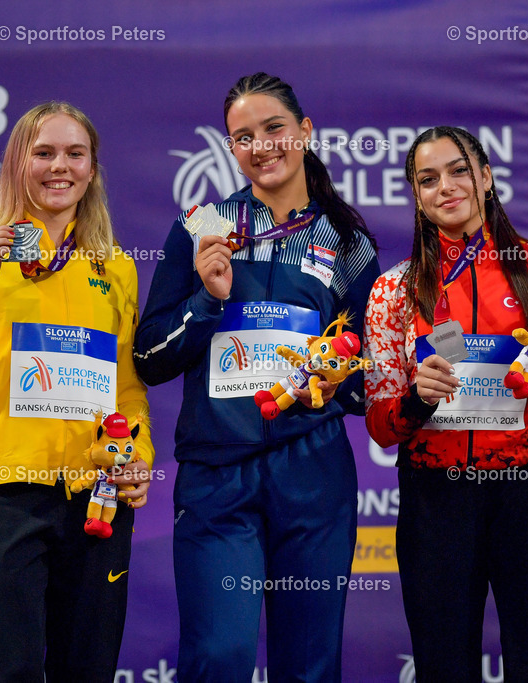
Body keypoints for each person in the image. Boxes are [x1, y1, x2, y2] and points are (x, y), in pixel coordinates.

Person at [133, 72, 380, 682]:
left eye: (274, 129)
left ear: (305, 132)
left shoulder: (348, 240)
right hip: (217, 478)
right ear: (230, 149)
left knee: (310, 666)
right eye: (243, 137)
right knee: (219, 656)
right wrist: (205, 303)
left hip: (313, 474)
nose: (261, 146)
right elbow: (149, 358)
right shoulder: (200, 226)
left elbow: (369, 374)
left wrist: (330, 376)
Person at [0, 101, 153, 682]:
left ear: (93, 170)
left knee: (88, 670)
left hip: (97, 497)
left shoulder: (116, 267)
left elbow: (126, 388)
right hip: (1, 495)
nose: (61, 167)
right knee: (10, 671)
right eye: (44, 152)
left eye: (75, 154)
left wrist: (139, 460)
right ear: (16, 165)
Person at [363, 126, 528, 682]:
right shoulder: (393, 291)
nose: (445, 186)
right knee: (443, 667)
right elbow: (380, 424)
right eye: (427, 178)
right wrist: (417, 401)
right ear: (415, 195)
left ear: (486, 178)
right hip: (436, 500)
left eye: (459, 170)